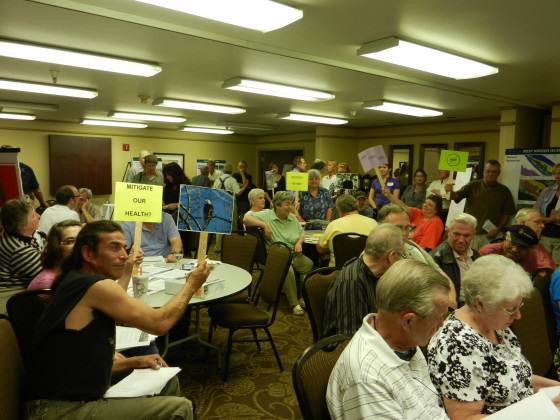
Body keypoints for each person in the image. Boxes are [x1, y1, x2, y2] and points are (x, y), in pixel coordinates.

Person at [25, 221, 209, 420]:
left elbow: (78, 365)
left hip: (68, 393)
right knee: (179, 409)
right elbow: (160, 323)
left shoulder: (75, 280)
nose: (123, 254)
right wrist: (192, 284)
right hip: (57, 409)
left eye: (124, 247)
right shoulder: (94, 286)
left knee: (167, 380)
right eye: (114, 247)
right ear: (88, 254)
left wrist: (132, 362)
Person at [427, 254, 560, 416]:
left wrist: (557, 387)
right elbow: (466, 418)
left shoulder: (492, 322)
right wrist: (538, 412)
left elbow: (516, 377)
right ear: (480, 304)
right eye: (511, 309)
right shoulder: (457, 345)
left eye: (520, 306)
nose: (518, 316)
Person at [327, 259, 451, 420]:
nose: (442, 324)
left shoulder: (406, 341)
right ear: (408, 321)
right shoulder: (367, 378)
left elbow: (430, 407)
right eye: (439, 317)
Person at [322, 224, 404, 337]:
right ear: (391, 256)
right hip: (344, 348)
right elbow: (351, 337)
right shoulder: (352, 283)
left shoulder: (374, 272)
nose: (401, 260)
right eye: (401, 255)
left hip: (371, 335)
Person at [244, 191, 313, 316]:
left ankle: (303, 298)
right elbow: (245, 219)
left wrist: (299, 243)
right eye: (287, 204)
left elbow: (302, 233)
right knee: (288, 269)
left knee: (308, 264)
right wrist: (264, 225)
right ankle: (294, 303)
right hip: (277, 256)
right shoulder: (267, 215)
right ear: (277, 205)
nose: (291, 207)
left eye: (291, 204)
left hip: (293, 253)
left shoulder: (292, 218)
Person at [445, 160, 516, 250]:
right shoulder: (473, 185)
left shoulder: (504, 191)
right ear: (483, 171)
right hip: (471, 233)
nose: (490, 174)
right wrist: (449, 191)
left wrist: (497, 229)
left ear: (498, 173)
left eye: (494, 172)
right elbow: (455, 196)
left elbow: (507, 213)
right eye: (488, 171)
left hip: (491, 235)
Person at [0, 198, 42, 313]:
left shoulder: (11, 234)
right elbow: (47, 274)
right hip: (12, 296)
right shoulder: (19, 249)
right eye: (33, 215)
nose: (38, 216)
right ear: (22, 225)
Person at [316, 194, 377, 267]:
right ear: (356, 205)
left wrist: (319, 239)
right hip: (365, 271)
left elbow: (321, 250)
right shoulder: (373, 223)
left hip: (337, 272)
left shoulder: (333, 225)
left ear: (339, 210)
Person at [431, 213, 479, 304]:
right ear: (448, 232)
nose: (461, 240)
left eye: (466, 235)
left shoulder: (476, 255)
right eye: (457, 234)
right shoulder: (436, 258)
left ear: (473, 235)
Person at [383, 187, 444, 251]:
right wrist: (389, 195)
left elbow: (424, 249)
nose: (425, 205)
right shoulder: (418, 213)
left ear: (436, 210)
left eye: (430, 205)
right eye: (425, 203)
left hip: (413, 252)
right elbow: (403, 206)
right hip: (401, 245)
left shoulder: (435, 223)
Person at [28, 220, 82, 290]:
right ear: (55, 246)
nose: (79, 245)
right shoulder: (47, 281)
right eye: (70, 241)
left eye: (81, 239)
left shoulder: (74, 273)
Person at [479, 224, 555, 273]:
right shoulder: (488, 252)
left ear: (529, 249)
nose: (514, 249)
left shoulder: (531, 257)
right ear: (505, 239)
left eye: (521, 247)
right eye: (512, 243)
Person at [534, 163, 560, 265]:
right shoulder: (547, 191)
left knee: (558, 272)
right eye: (557, 173)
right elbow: (535, 214)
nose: (559, 176)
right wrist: (551, 219)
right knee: (543, 268)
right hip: (545, 237)